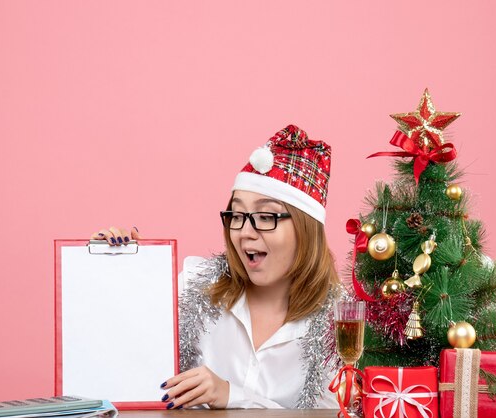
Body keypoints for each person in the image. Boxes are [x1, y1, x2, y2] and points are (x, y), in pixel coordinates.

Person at [93, 125, 344, 409]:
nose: (245, 232)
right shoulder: (193, 285)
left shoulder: (340, 323)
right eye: (237, 214)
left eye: (266, 216)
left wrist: (230, 396)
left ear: (306, 229)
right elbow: (123, 343)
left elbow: (333, 413)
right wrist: (117, 269)